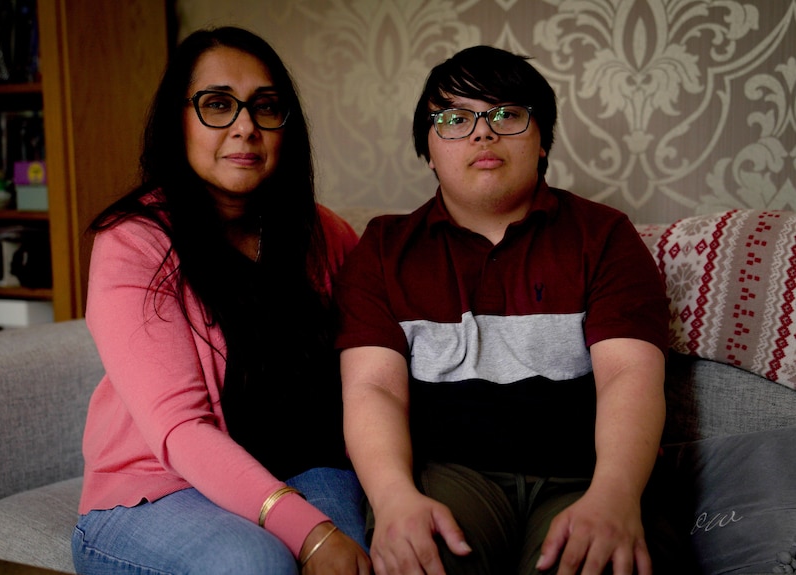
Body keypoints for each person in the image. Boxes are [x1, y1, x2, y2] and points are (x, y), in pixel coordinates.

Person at [335, 45, 674, 575]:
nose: (482, 133)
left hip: (583, 475)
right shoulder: (382, 249)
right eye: (453, 118)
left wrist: (615, 493)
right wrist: (393, 497)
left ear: (542, 143)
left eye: (507, 115)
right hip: (448, 474)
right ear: (428, 149)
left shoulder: (604, 235)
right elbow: (370, 388)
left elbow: (630, 374)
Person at [71, 26, 371, 575]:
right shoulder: (133, 241)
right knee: (256, 564)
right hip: (162, 488)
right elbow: (180, 429)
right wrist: (307, 532)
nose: (245, 127)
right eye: (217, 105)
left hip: (307, 466)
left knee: (359, 562)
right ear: (177, 120)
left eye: (266, 107)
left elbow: (372, 366)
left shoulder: (325, 234)